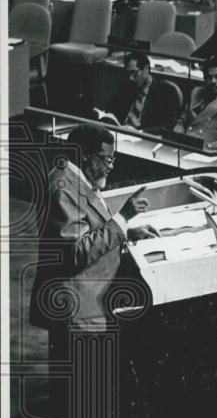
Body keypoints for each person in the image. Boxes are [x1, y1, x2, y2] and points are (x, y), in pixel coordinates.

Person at [29, 124, 158, 349]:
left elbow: (88, 230)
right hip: (78, 309)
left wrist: (126, 233)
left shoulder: (76, 179)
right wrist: (122, 218)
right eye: (107, 159)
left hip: (88, 303)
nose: (111, 166)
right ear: (87, 156)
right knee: (84, 377)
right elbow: (74, 253)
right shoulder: (64, 188)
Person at [104, 53, 181, 132]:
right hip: (122, 133)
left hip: (146, 137)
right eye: (128, 73)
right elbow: (110, 109)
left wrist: (141, 132)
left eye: (134, 72)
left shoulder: (165, 91)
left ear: (146, 69)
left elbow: (170, 125)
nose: (131, 78)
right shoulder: (126, 86)